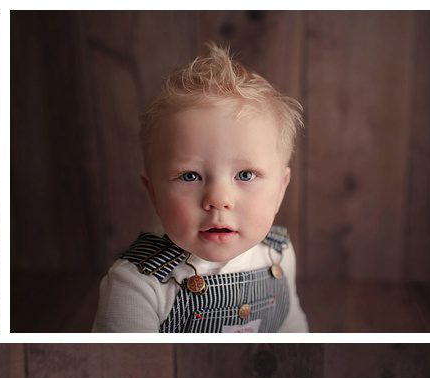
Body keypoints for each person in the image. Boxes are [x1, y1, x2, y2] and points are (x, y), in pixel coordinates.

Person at [93, 43, 308, 332]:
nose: (218, 200)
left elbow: (291, 327)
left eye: (245, 175)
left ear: (281, 188)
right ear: (153, 191)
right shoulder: (139, 284)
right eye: (190, 176)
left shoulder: (279, 255)